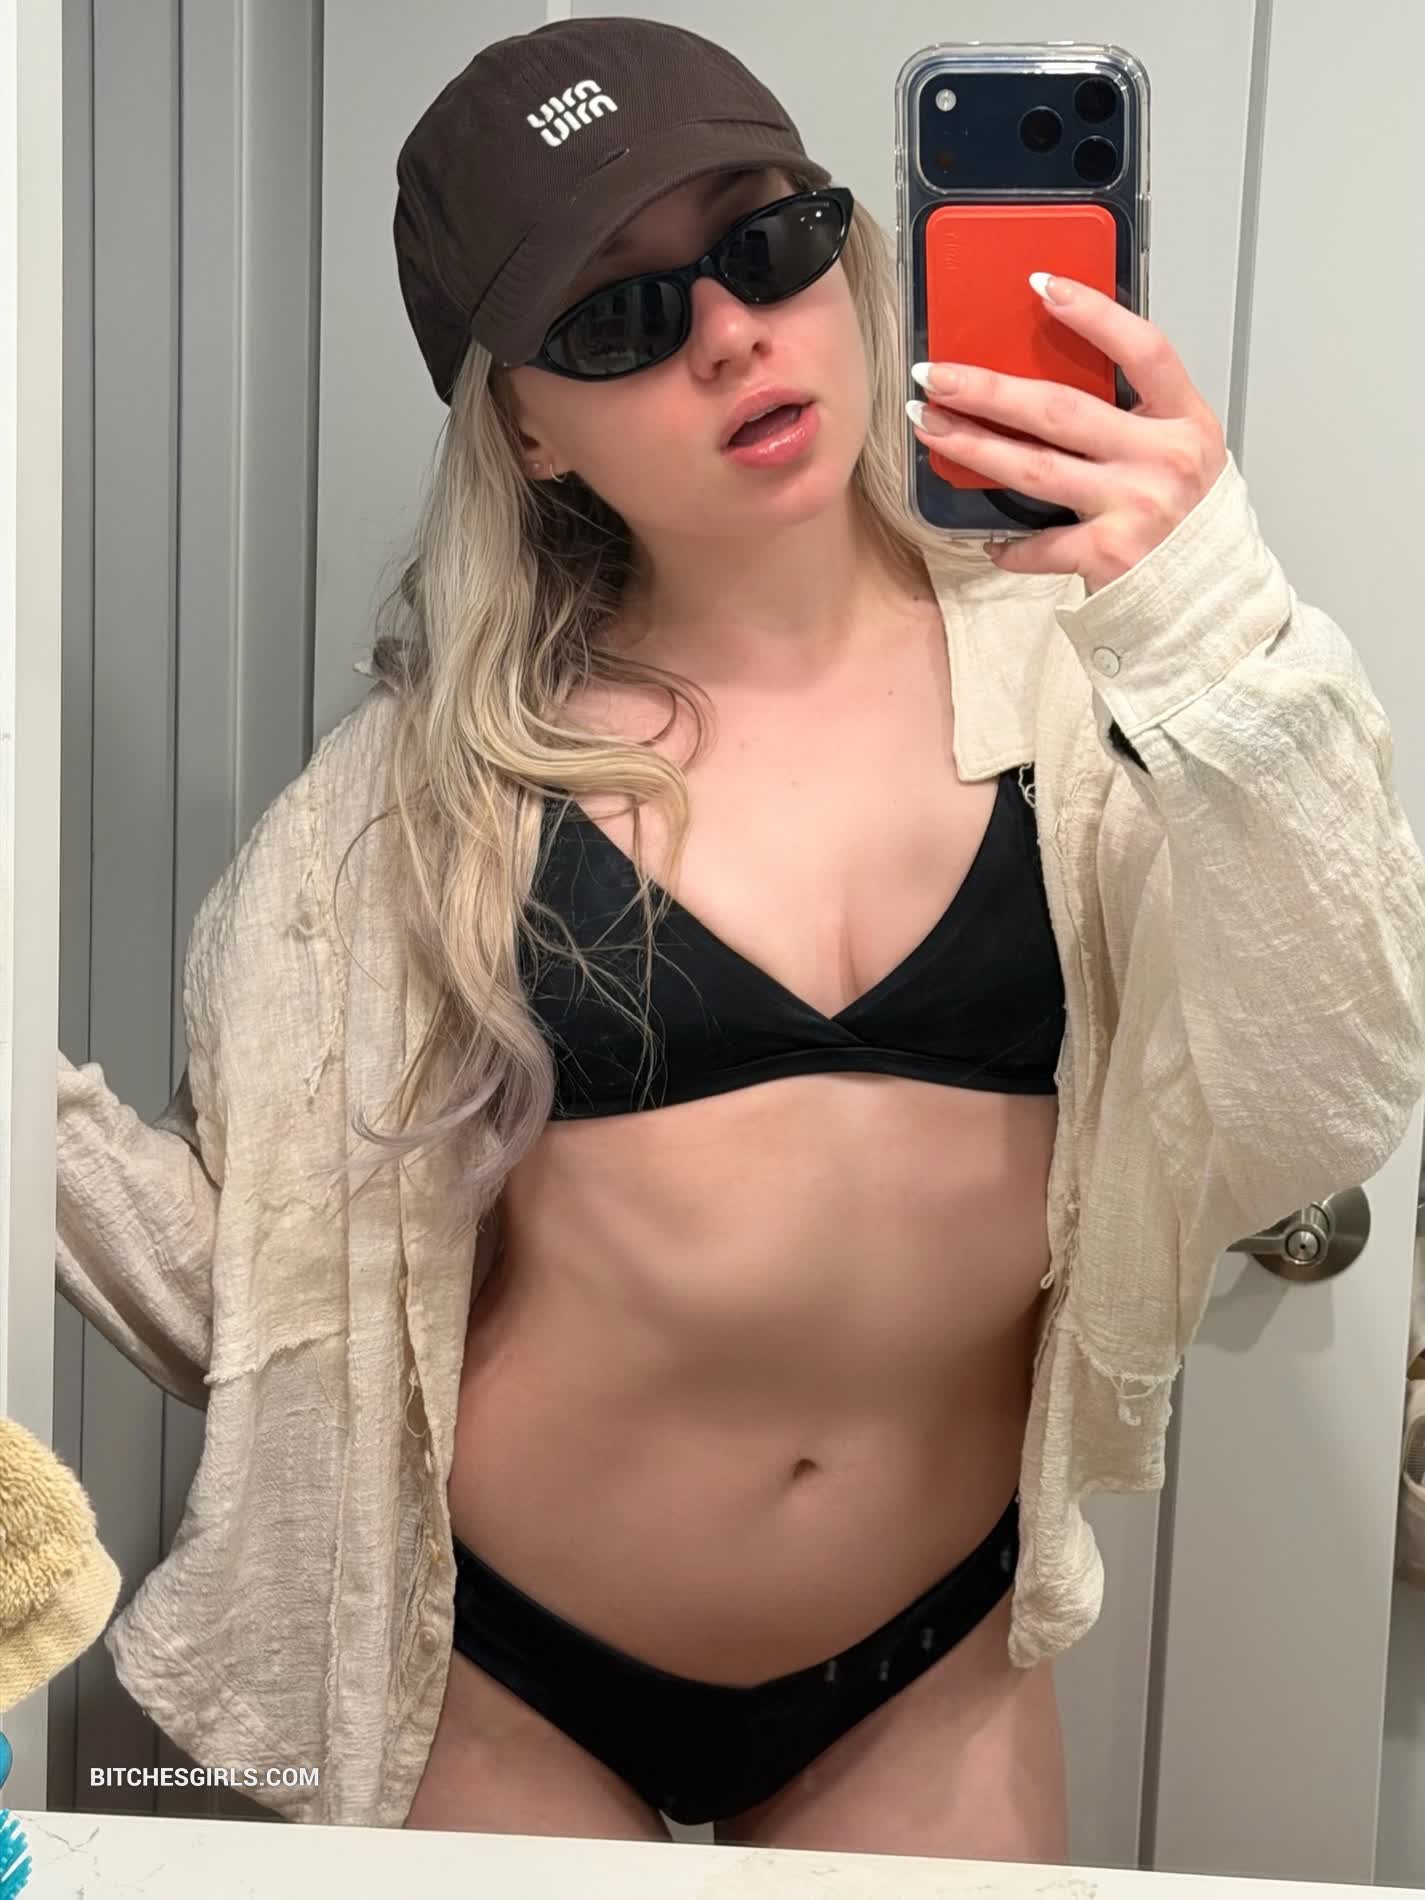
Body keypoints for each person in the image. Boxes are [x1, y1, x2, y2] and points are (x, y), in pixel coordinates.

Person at [52, 14, 1425, 1859]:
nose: (726, 332)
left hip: (929, 1668)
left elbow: (1329, 1093)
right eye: (616, 316)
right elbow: (267, 1298)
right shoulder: (420, 799)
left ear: (847, 253)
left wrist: (1207, 618)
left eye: (765, 241)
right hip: (504, 1677)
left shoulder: (1108, 682)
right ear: (524, 423)